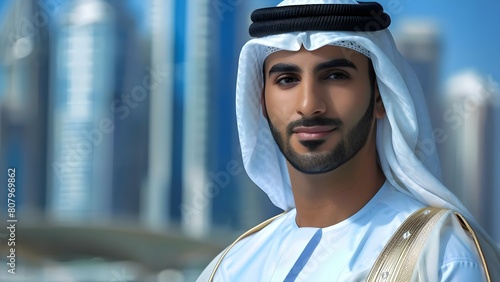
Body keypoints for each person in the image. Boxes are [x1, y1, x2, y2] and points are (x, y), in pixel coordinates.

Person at [197, 0, 500, 281]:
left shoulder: (440, 256)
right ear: (261, 103)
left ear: (381, 96)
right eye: (287, 80)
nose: (309, 104)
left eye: (335, 76)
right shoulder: (231, 267)